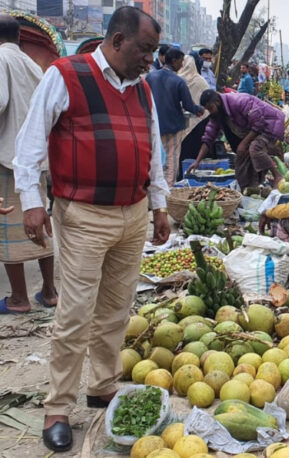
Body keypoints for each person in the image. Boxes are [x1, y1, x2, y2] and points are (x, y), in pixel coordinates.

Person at [14, 6, 170, 452]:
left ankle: (102, 385)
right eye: (144, 50)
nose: (149, 60)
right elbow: (30, 142)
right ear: (118, 41)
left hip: (132, 212)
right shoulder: (66, 75)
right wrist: (31, 203)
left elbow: (153, 148)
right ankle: (58, 407)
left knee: (116, 310)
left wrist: (159, 206)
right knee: (75, 314)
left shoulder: (142, 89)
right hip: (83, 215)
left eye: (154, 52)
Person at [0, 14, 58, 314]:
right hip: (35, 158)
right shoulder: (31, 65)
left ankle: (19, 298)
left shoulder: (0, 59)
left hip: (8, 157)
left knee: (10, 229)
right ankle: (49, 291)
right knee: (40, 224)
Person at [190, 90, 284, 188]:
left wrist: (243, 143)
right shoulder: (216, 115)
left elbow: (259, 122)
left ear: (217, 102)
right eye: (207, 110)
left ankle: (277, 175)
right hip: (253, 130)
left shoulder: (239, 101)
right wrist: (197, 161)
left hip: (269, 125)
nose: (210, 111)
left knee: (255, 148)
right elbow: (209, 137)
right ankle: (252, 188)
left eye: (210, 108)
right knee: (241, 166)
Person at [146, 47, 204, 185]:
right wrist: (199, 109)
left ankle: (153, 186)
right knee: (171, 158)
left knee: (155, 157)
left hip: (153, 125)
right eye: (181, 61)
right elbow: (189, 105)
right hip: (173, 126)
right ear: (174, 61)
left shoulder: (150, 77)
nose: (182, 64)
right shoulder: (178, 81)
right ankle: (169, 189)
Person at [177, 54, 211, 180]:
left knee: (183, 152)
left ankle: (183, 177)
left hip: (186, 122)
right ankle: (192, 177)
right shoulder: (200, 80)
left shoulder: (178, 79)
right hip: (200, 121)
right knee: (194, 150)